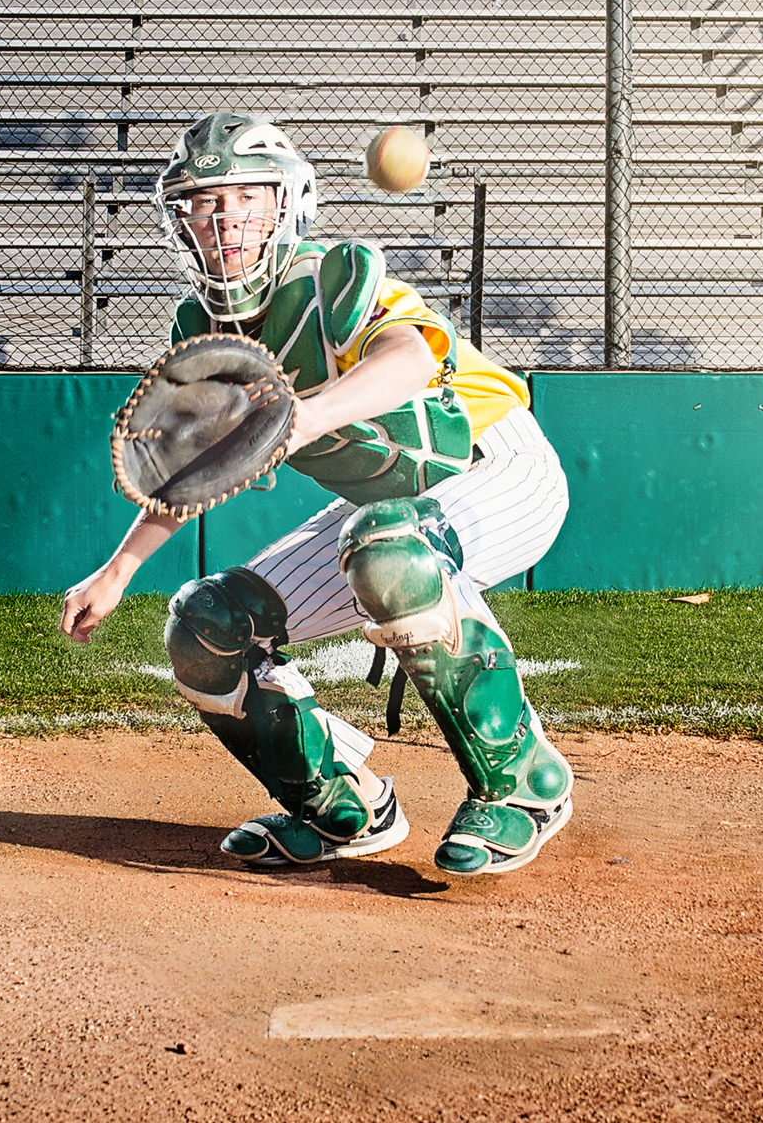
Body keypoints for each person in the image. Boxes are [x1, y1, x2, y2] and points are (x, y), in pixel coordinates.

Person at [59, 113, 572, 877]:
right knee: (206, 626)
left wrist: (306, 415)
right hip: (387, 510)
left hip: (495, 466)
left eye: (244, 197)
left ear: (285, 205)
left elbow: (403, 356)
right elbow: (196, 463)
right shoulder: (207, 330)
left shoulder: (333, 282)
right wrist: (118, 570)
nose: (224, 217)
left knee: (390, 550)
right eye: (204, 202)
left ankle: (524, 782)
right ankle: (345, 808)